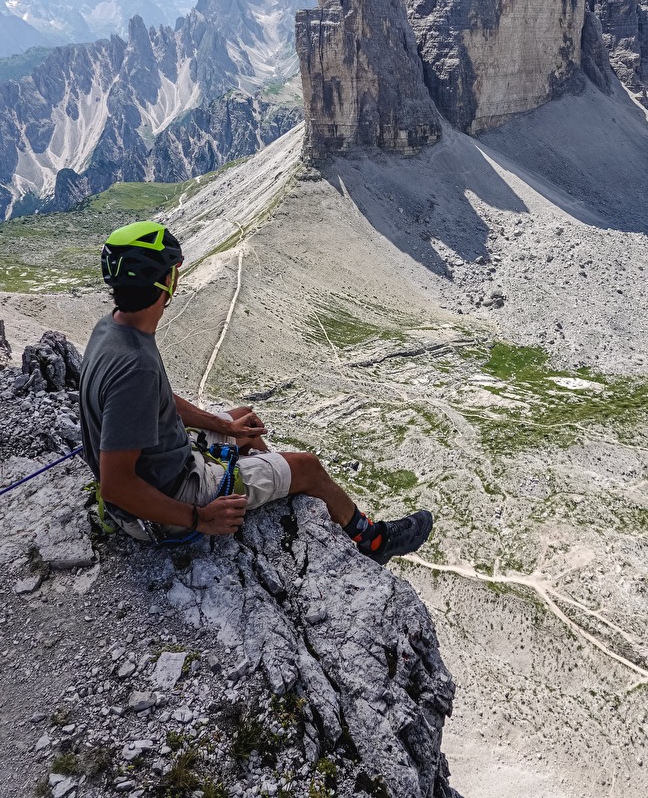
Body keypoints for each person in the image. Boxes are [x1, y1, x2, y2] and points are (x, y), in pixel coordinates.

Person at [78, 221, 433, 562]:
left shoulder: (111, 328)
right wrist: (201, 518)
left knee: (243, 419)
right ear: (167, 280)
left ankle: (262, 475)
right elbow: (117, 485)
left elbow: (159, 401)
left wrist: (225, 425)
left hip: (163, 466)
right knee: (307, 466)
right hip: (168, 498)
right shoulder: (135, 366)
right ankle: (374, 541)